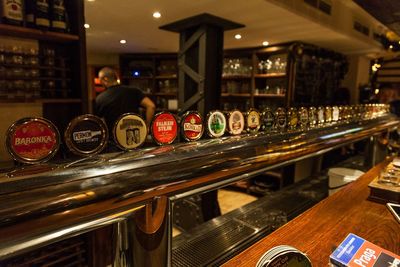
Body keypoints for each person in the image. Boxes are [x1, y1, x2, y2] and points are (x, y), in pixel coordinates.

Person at [95, 67, 156, 148]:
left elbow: (99, 123)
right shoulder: (133, 91)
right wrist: (147, 127)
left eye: (100, 80)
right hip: (137, 140)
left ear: (105, 79)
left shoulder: (100, 98)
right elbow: (151, 106)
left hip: (114, 143)